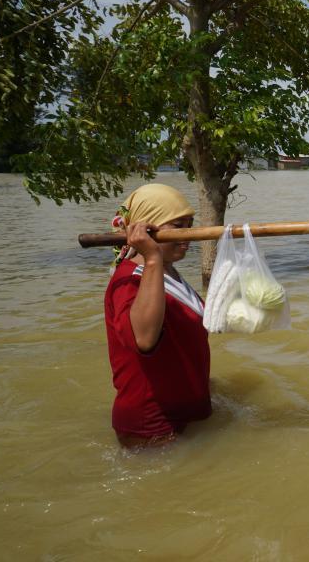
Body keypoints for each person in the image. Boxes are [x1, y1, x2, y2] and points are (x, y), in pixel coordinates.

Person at [104, 183, 210, 448]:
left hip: (185, 414)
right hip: (153, 428)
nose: (188, 234)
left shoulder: (168, 271)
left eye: (190, 223)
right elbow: (144, 338)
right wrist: (151, 256)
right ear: (147, 230)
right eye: (178, 225)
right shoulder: (129, 280)